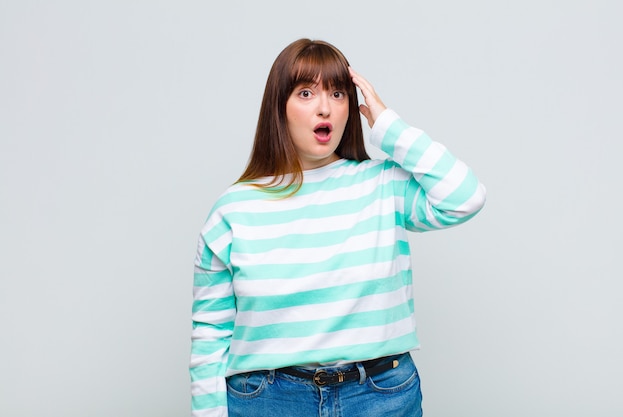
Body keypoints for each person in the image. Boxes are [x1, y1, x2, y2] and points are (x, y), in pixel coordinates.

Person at [190, 38, 486, 417]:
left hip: (381, 397)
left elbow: (465, 197)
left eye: (338, 93)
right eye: (306, 93)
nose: (325, 107)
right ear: (278, 108)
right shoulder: (233, 210)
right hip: (269, 401)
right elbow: (210, 338)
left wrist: (387, 124)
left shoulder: (383, 185)